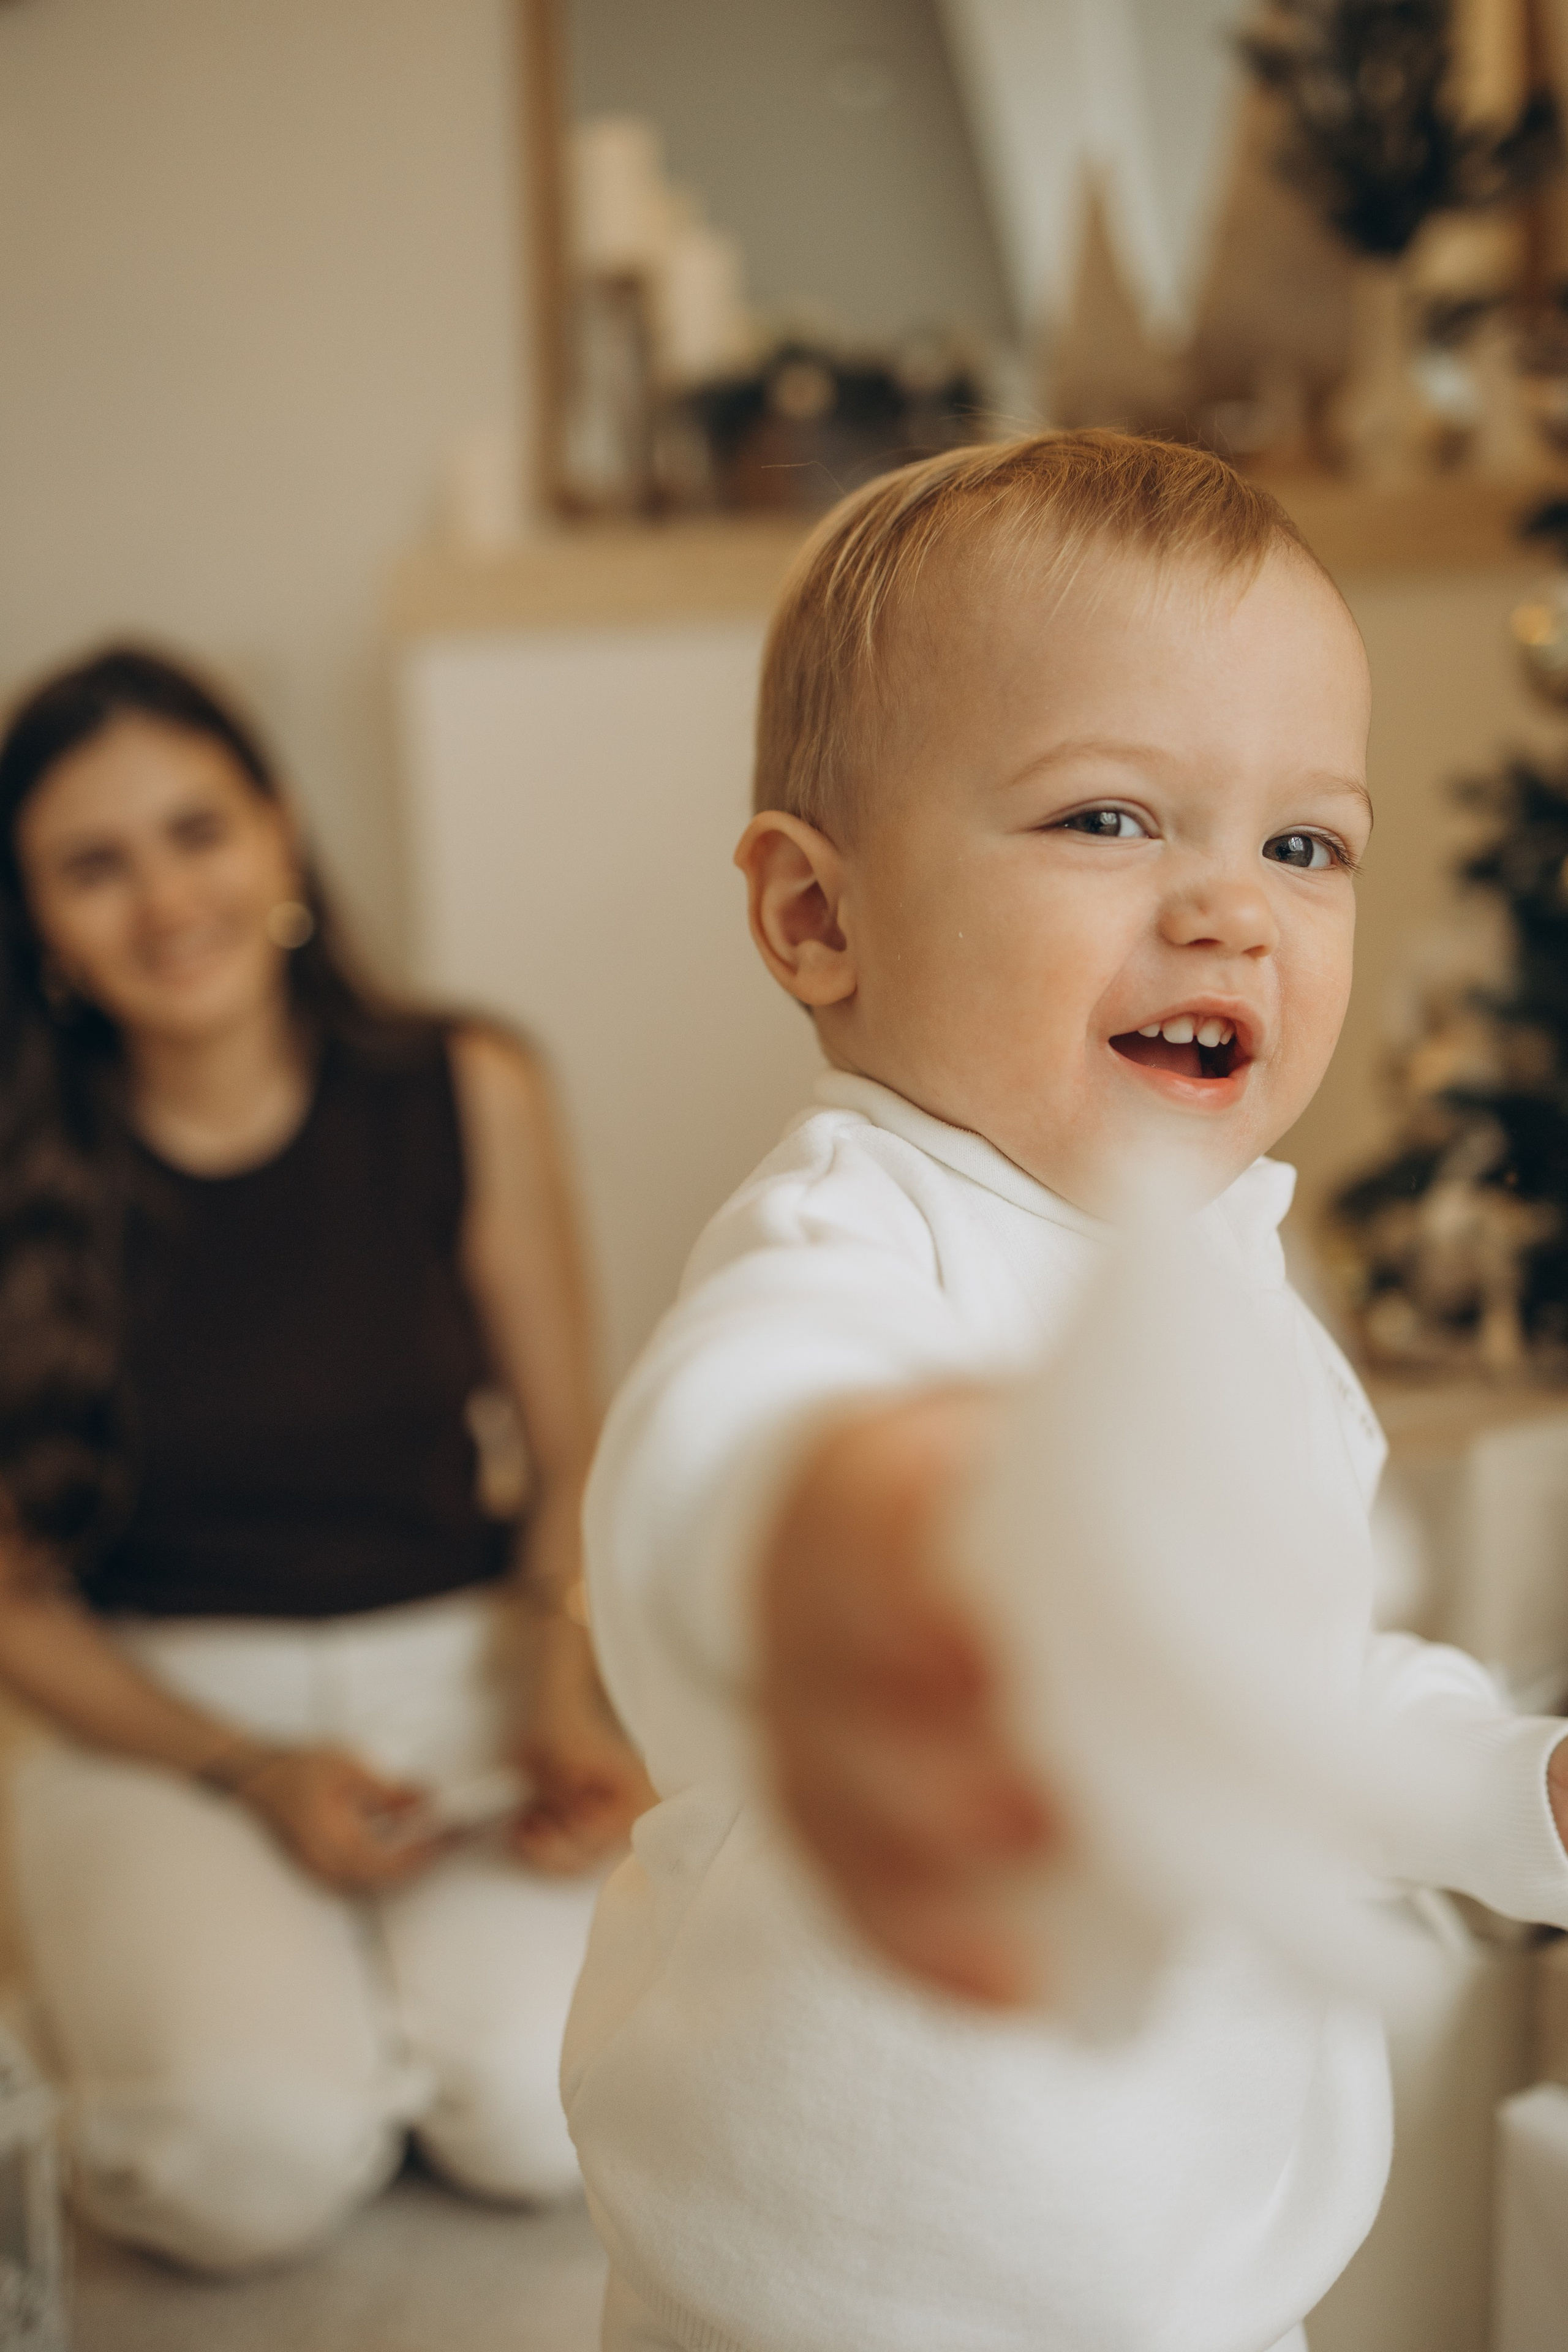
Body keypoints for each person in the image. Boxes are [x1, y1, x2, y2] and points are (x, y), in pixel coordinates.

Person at [563, 432, 1568, 2352]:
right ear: (816, 920)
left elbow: (1291, 1690)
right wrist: (865, 1524)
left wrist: (1524, 1789)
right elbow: (719, 1457)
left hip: (1196, 2284)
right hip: (837, 2290)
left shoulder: (1228, 1289)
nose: (1234, 911)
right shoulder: (866, 1234)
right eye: (1112, 820)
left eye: (1305, 845)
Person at [0, 646, 650, 2275]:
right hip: (161, 1722)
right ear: (37, 925)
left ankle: (385, 2021)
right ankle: (288, 2030)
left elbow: (571, 1453)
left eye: (196, 831)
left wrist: (560, 1694)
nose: (164, 902)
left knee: (543, 2116)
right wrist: (253, 1770)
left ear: (282, 831)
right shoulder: (18, 1162)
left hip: (464, 1679)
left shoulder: (468, 1084)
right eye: (94, 866)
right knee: (247, 2170)